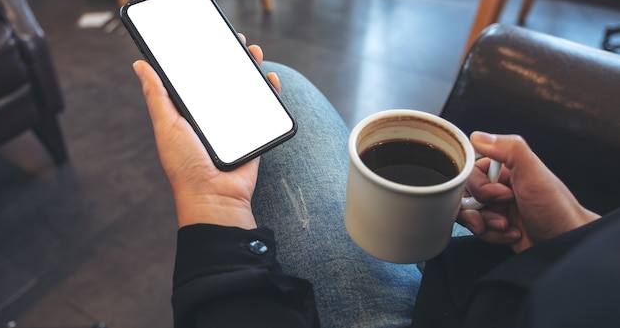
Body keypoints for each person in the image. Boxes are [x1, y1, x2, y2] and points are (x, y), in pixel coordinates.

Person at [132, 38, 620, 328]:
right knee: (277, 81)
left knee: (281, 83)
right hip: (503, 292)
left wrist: (212, 202)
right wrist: (572, 240)